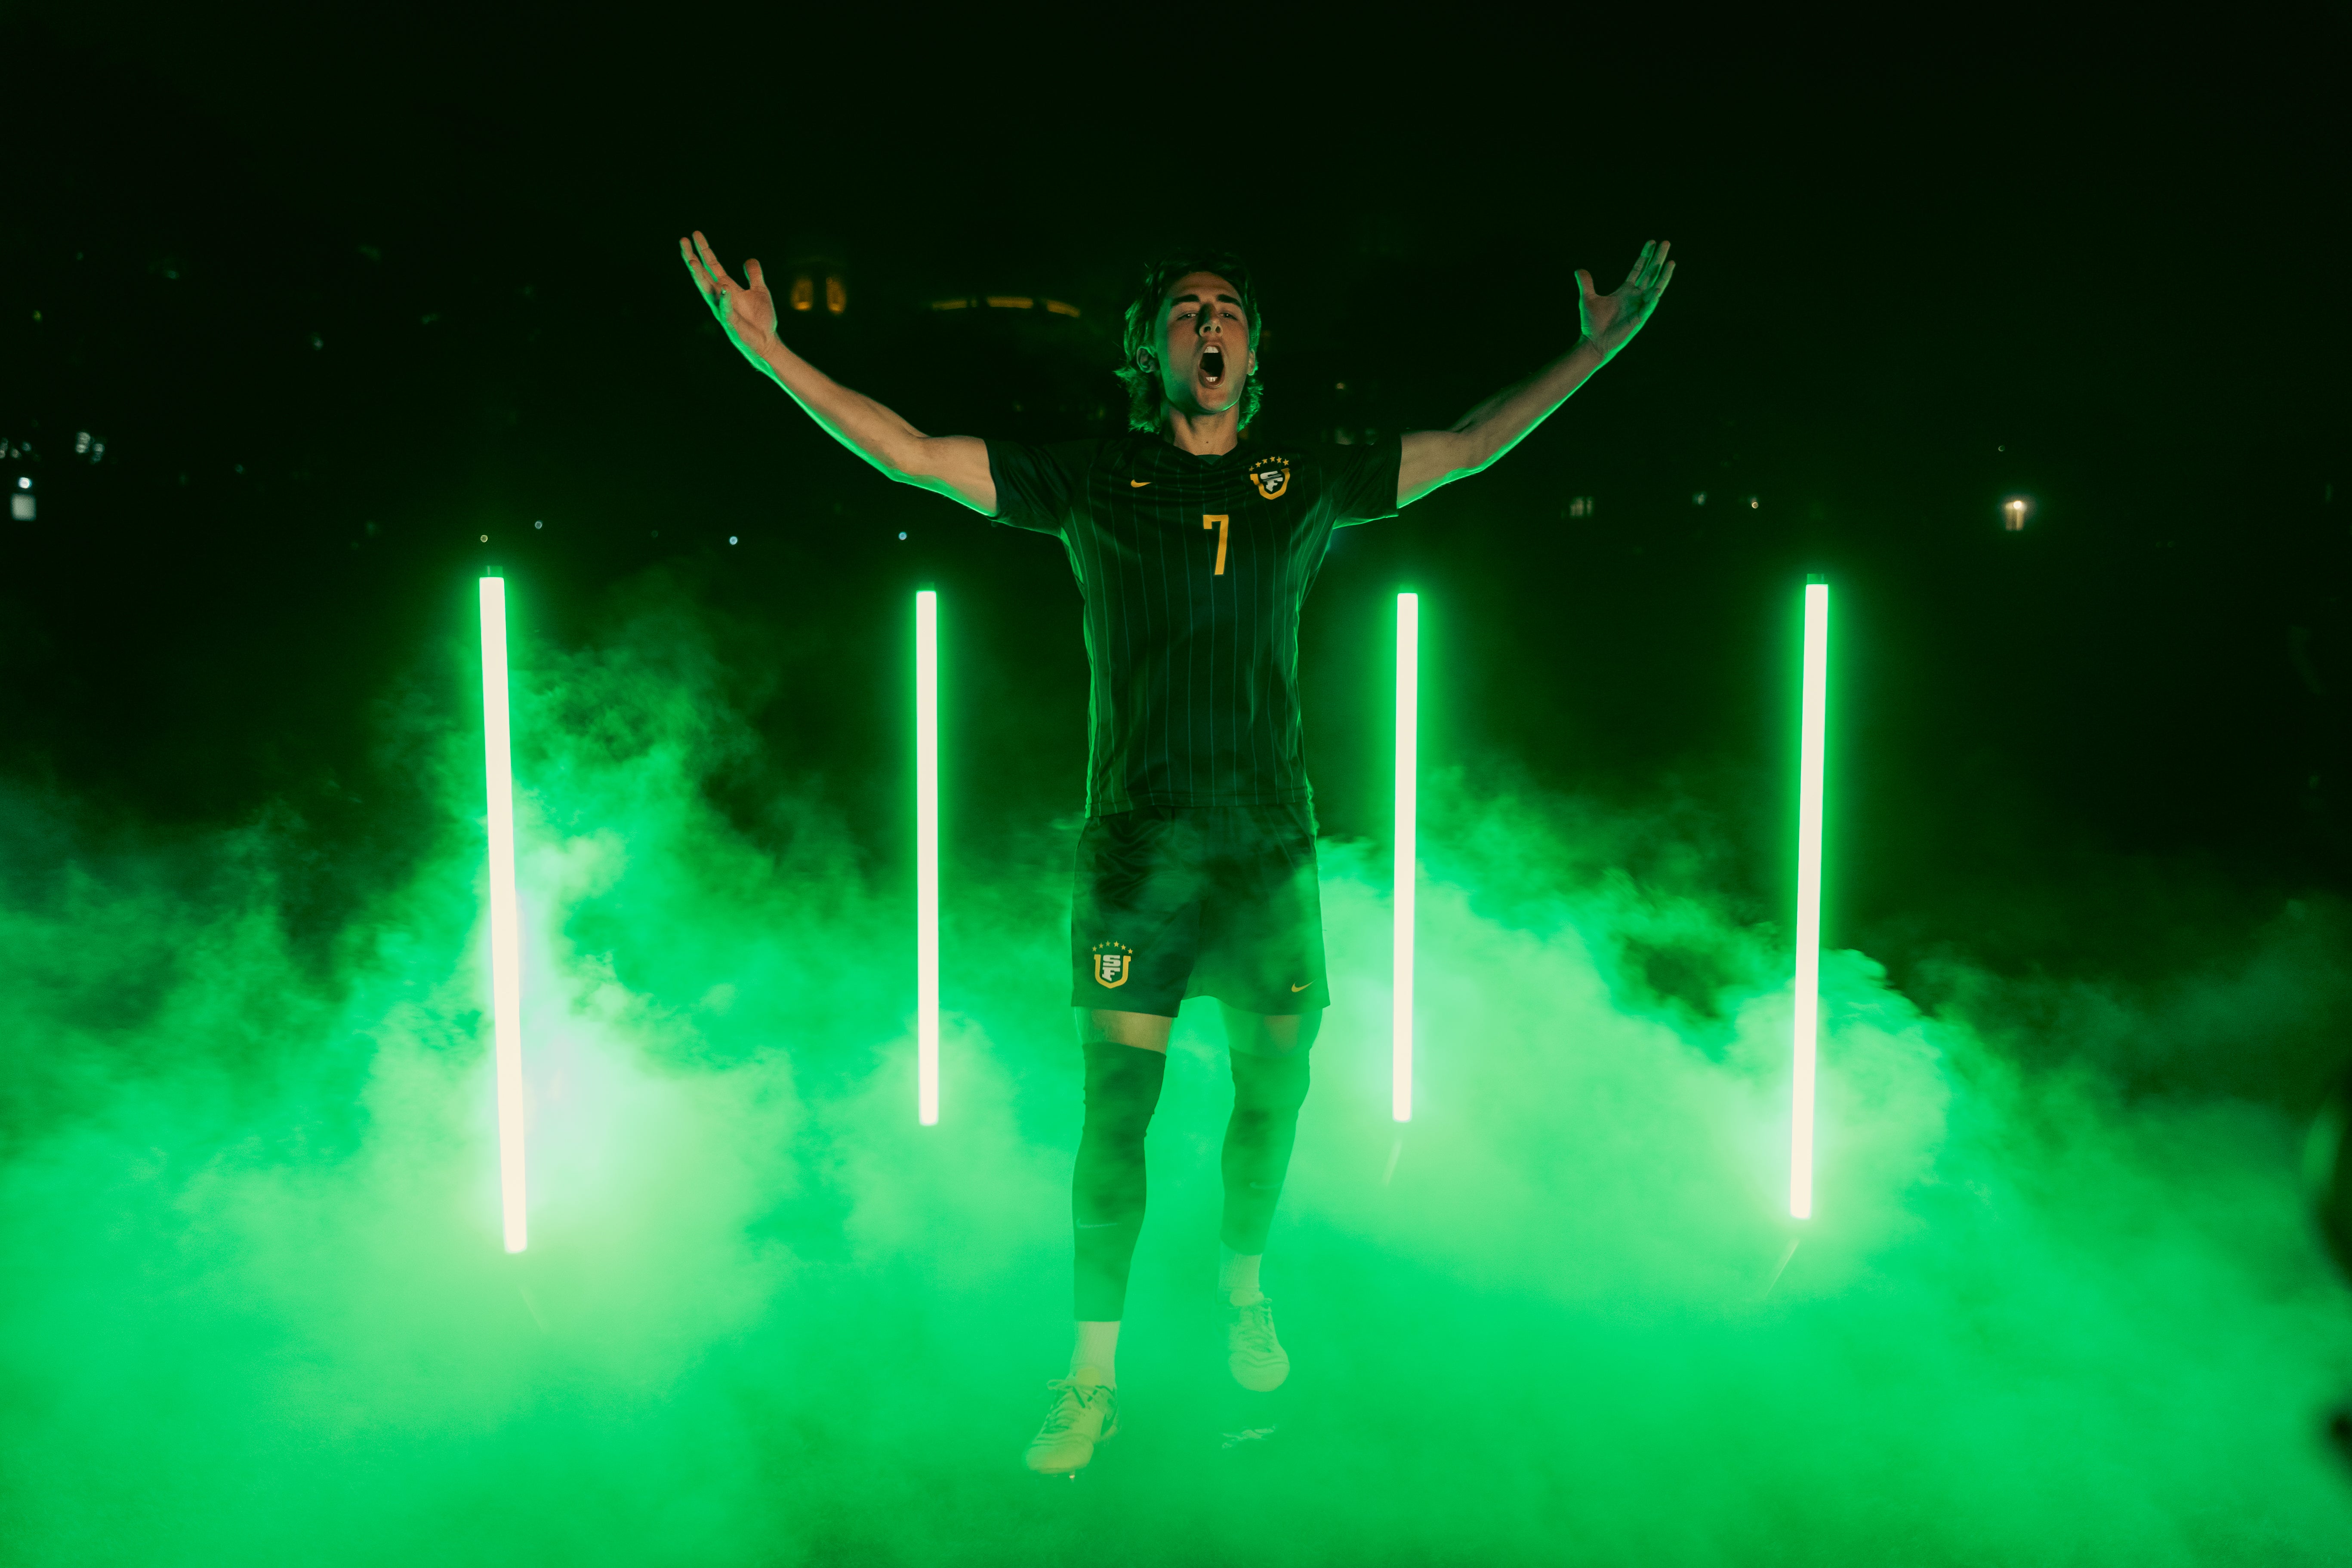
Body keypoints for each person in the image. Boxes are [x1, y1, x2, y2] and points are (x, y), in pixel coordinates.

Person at [678, 231, 1675, 1474]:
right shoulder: (1093, 478)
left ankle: (1241, 1282)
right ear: (1148, 351)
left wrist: (1595, 350)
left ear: (1252, 353)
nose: (1209, 324)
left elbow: (1471, 443)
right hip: (1136, 856)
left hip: (1268, 852)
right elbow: (911, 452)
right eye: (1185, 311)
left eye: (1228, 312)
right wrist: (769, 354)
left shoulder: (1303, 476)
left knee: (1274, 1090)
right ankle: (1089, 1376)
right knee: (1116, 1113)